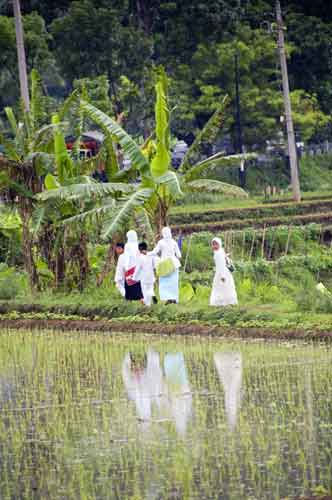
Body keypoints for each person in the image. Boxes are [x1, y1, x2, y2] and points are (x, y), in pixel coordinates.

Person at [150, 227, 181, 304]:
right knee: (173, 283)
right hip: (174, 264)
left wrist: (146, 253)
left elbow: (154, 252)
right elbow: (179, 255)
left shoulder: (161, 242)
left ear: (163, 233)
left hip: (164, 265)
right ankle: (174, 298)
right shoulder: (174, 242)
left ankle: (168, 298)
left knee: (164, 283)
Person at [115, 230, 143, 301]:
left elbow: (127, 257)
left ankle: (128, 300)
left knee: (129, 285)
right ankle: (142, 302)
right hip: (137, 268)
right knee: (138, 286)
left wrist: (127, 268)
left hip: (130, 268)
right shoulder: (138, 245)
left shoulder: (127, 245)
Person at [210, 237, 238, 306]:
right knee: (224, 287)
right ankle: (226, 302)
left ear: (219, 244)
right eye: (213, 244)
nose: (214, 246)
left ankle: (221, 303)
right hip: (222, 272)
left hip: (221, 273)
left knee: (221, 288)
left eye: (216, 244)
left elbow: (221, 265)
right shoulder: (220, 252)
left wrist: (222, 276)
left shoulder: (218, 253)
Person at [133, 242, 157, 306]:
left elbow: (137, 269)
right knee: (150, 288)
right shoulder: (151, 255)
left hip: (144, 277)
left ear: (139, 249)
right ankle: (152, 295)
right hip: (151, 276)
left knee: (144, 291)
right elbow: (154, 266)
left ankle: (147, 305)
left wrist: (134, 278)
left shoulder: (140, 257)